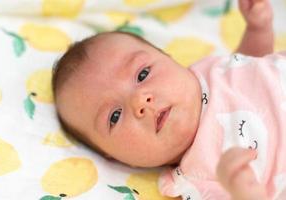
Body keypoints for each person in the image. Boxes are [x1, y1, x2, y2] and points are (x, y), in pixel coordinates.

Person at [52, 0, 286, 199]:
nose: (140, 102)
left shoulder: (209, 71)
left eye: (142, 74)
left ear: (170, 59)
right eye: (115, 116)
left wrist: (258, 29)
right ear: (118, 159)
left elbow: (249, 68)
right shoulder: (197, 178)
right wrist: (244, 192)